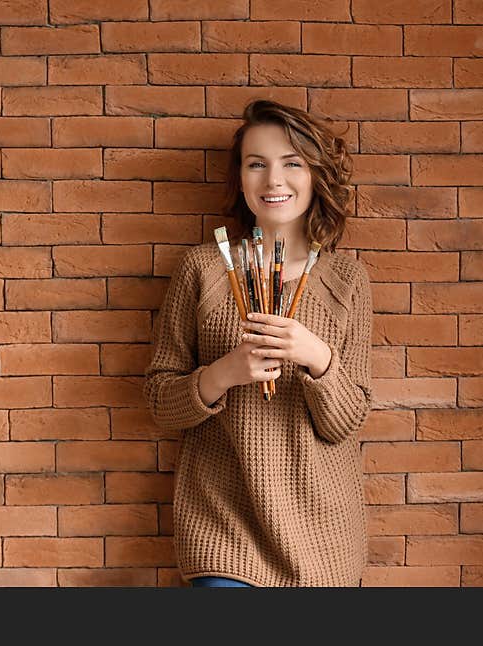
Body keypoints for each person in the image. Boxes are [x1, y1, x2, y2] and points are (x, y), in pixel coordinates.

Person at [143, 99, 374, 587]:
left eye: (292, 164)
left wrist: (317, 359)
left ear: (314, 176)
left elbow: (346, 422)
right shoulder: (203, 270)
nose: (274, 181)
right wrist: (223, 374)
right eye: (257, 164)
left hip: (323, 538)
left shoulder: (347, 280)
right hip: (222, 530)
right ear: (240, 178)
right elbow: (161, 403)